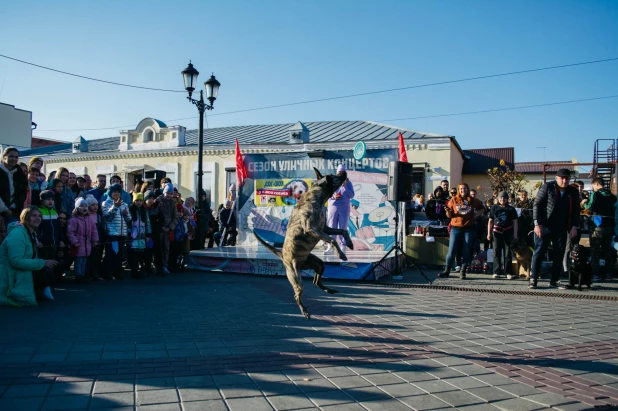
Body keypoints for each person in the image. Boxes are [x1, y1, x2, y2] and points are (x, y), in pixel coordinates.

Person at [530, 169, 581, 289]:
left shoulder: (572, 191)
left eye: (567, 178)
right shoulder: (548, 187)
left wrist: (574, 226)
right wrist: (537, 224)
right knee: (539, 251)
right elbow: (537, 205)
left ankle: (554, 280)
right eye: (562, 178)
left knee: (559, 253)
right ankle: (533, 278)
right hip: (545, 225)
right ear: (557, 178)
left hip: (562, 226)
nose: (564, 181)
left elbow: (576, 211)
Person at [0, 206, 58, 306]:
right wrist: (43, 263)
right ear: (25, 217)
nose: (38, 218)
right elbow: (16, 262)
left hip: (15, 271)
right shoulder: (18, 234)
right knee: (46, 272)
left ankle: (37, 291)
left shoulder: (30, 233)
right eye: (34, 215)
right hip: (9, 274)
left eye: (39, 216)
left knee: (51, 270)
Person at [438, 183, 485, 279]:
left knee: (467, 250)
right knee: (451, 250)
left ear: (467, 189)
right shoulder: (454, 200)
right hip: (456, 228)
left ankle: (463, 271)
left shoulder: (472, 200)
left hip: (469, 229)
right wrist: (447, 211)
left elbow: (483, 208)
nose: (463, 190)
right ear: (459, 190)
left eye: (465, 188)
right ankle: (447, 270)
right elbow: (449, 215)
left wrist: (476, 215)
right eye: (461, 189)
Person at [580, 177, 616, 282]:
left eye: (593, 186)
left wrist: (584, 202)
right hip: (610, 226)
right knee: (608, 250)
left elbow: (589, 207)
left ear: (596, 184)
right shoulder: (612, 196)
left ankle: (595, 274)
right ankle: (609, 273)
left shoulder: (595, 195)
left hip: (597, 226)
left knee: (595, 250)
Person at [102, 183, 131, 280]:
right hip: (112, 233)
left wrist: (126, 214)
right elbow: (106, 217)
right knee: (112, 253)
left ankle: (117, 272)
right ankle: (107, 273)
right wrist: (114, 207)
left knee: (119, 254)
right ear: (110, 193)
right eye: (114, 191)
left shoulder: (124, 204)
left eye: (118, 192)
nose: (116, 194)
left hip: (122, 233)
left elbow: (129, 219)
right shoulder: (106, 203)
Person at [488, 191, 519, 279]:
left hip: (508, 232)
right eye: (501, 197)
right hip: (496, 232)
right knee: (496, 251)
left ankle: (508, 272)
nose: (502, 199)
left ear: (507, 199)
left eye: (504, 198)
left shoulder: (511, 209)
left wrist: (515, 234)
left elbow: (515, 222)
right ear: (498, 198)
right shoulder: (494, 208)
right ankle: (496, 271)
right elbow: (490, 221)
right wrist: (488, 233)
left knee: (508, 253)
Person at [67, 198, 99, 284]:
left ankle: (83, 274)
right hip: (78, 245)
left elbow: (94, 230)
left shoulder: (89, 220)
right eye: (81, 206)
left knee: (84, 261)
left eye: (85, 205)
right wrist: (74, 242)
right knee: (79, 261)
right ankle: (78, 275)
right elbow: (70, 232)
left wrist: (95, 240)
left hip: (87, 245)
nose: (84, 207)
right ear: (77, 208)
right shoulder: (73, 220)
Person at [325, 164, 355, 254]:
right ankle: (331, 246)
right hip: (333, 207)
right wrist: (334, 196)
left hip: (344, 208)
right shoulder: (332, 182)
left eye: (342, 173)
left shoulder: (348, 183)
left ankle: (343, 247)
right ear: (337, 173)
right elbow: (327, 194)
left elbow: (351, 195)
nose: (340, 174)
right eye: (339, 173)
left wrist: (345, 186)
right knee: (331, 227)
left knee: (343, 227)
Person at [37, 190, 66, 283]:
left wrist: (61, 240)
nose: (50, 202)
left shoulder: (54, 212)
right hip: (44, 245)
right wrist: (38, 241)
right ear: (42, 200)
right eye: (47, 199)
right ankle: (45, 283)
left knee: (55, 262)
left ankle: (54, 281)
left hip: (54, 244)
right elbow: (37, 229)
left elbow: (59, 229)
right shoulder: (39, 212)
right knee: (45, 264)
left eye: (52, 199)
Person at [0, 147, 28, 223]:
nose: (14, 159)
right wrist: (5, 209)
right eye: (11, 156)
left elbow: (23, 192)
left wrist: (17, 205)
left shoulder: (19, 173)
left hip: (14, 212)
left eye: (16, 157)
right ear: (4, 157)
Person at [156, 183, 178, 275]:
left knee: (166, 248)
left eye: (171, 193)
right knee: (158, 248)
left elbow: (175, 217)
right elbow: (155, 215)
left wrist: (170, 228)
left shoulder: (173, 203)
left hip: (168, 230)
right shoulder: (158, 201)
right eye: (167, 193)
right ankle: (157, 266)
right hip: (159, 229)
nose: (169, 195)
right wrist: (160, 226)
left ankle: (165, 265)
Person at [128, 192, 151, 279]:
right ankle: (134, 271)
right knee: (133, 254)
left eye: (140, 201)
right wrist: (129, 233)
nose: (139, 202)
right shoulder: (130, 210)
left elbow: (148, 223)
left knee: (140, 254)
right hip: (133, 235)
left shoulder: (144, 211)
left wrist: (148, 234)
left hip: (142, 235)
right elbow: (128, 223)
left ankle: (140, 270)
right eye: (137, 200)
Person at [85, 195, 105, 281]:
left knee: (96, 256)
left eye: (96, 205)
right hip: (88, 239)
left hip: (98, 239)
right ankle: (87, 273)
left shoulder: (99, 216)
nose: (95, 207)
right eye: (92, 205)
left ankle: (95, 273)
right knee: (88, 257)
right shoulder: (86, 216)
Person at [144, 190, 162, 275]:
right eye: (149, 198)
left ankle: (159, 268)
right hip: (145, 233)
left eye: (152, 198)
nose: (151, 200)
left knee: (158, 251)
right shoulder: (143, 208)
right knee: (147, 252)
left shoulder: (157, 208)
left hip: (155, 232)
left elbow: (162, 219)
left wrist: (158, 227)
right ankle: (147, 268)